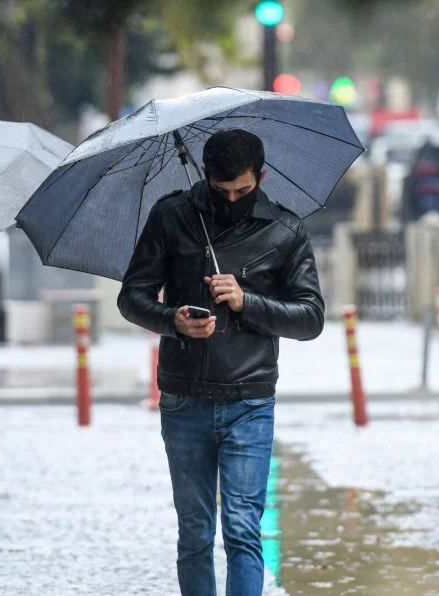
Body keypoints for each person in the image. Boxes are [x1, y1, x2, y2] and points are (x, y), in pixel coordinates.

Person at [118, 129, 325, 596]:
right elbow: (131, 298)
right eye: (222, 190)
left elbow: (311, 318)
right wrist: (173, 320)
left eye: (243, 191)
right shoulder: (173, 216)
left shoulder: (285, 230)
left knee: (242, 530)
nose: (232, 198)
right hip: (183, 397)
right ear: (207, 177)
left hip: (249, 399)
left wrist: (246, 301)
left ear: (261, 177)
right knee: (194, 534)